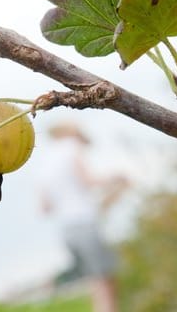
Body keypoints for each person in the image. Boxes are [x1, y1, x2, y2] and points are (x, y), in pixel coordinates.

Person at [38, 122, 128, 312]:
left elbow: (45, 207)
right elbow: (87, 180)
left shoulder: (45, 161)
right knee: (105, 283)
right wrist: (115, 177)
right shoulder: (71, 147)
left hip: (67, 230)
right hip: (84, 223)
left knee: (95, 283)